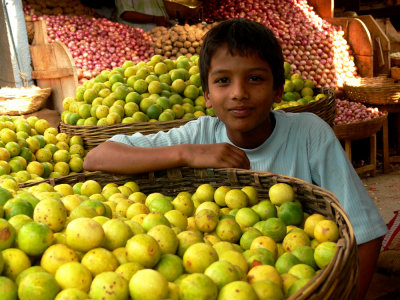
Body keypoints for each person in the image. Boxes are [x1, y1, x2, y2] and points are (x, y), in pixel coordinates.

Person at [84, 18, 387, 299]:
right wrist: (188, 153)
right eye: (223, 81)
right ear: (206, 94)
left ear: (278, 89)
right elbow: (98, 156)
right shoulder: (198, 135)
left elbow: (365, 233)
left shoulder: (309, 134)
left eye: (255, 78)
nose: (239, 93)